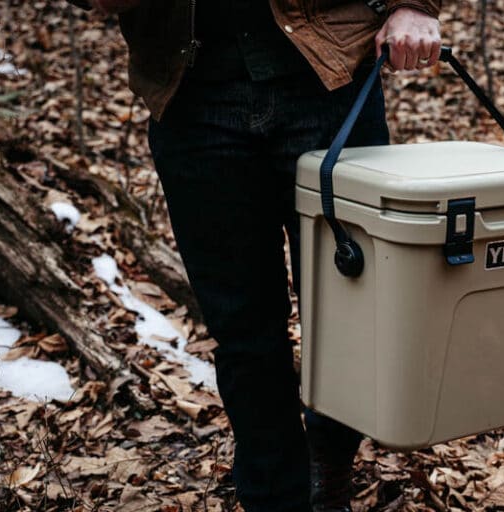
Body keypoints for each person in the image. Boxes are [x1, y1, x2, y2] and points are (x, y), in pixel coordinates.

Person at [67, 1, 441, 511]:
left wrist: (413, 5)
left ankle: (329, 464)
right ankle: (275, 497)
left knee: (351, 314)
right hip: (193, 99)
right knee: (244, 330)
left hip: (328, 83)